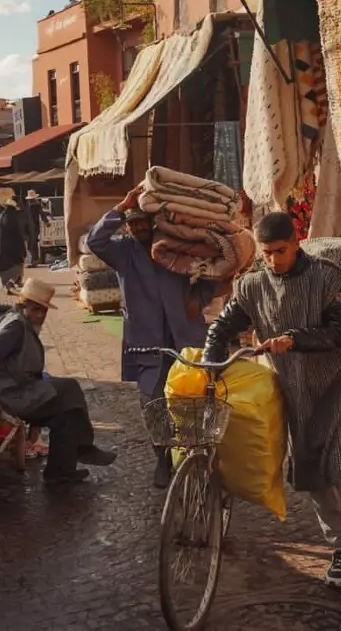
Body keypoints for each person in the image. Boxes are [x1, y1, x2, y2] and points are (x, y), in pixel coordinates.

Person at [203, 211, 341, 590]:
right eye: (265, 253)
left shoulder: (329, 277)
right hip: (294, 387)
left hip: (337, 380)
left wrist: (294, 338)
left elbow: (339, 331)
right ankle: (340, 547)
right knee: (309, 468)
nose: (272, 260)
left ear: (296, 243)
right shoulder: (251, 286)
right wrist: (209, 363)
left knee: (340, 464)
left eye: (279, 251)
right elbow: (221, 327)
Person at [87, 184, 217, 488]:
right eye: (132, 222)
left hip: (185, 335)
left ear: (153, 221)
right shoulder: (123, 252)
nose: (138, 227)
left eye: (142, 221)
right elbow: (95, 240)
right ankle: (162, 458)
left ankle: (195, 457)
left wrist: (199, 297)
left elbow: (211, 268)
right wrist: (120, 207)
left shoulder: (174, 245)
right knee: (152, 403)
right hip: (146, 341)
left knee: (192, 399)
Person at [0, 278, 116, 485]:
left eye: (43, 311)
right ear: (24, 305)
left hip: (20, 388)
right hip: (12, 395)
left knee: (66, 416)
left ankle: (60, 472)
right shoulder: (15, 327)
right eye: (35, 310)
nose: (40, 316)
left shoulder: (17, 320)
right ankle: (85, 447)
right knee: (70, 388)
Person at [0, 188, 26, 293]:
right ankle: (10, 285)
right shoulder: (12, 218)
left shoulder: (1, 216)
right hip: (12, 250)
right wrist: (22, 250)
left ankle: (10, 285)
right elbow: (17, 235)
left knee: (7, 267)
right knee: (15, 267)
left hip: (2, 248)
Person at [24, 189, 49, 268]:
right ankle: (34, 260)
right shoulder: (28, 204)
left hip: (34, 226)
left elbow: (42, 213)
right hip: (28, 226)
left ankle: (34, 261)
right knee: (30, 245)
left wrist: (46, 221)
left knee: (33, 244)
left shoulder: (36, 204)